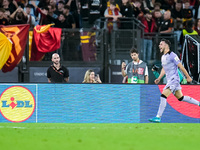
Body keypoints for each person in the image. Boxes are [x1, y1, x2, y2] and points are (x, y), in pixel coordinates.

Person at [149, 39, 200, 123]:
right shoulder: (163, 57)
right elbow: (164, 69)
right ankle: (198, 103)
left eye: (161, 44)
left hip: (174, 80)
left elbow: (181, 66)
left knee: (163, 96)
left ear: (166, 45)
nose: (159, 46)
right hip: (170, 80)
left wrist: (188, 77)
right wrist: (159, 78)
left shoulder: (172, 55)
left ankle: (158, 117)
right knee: (181, 97)